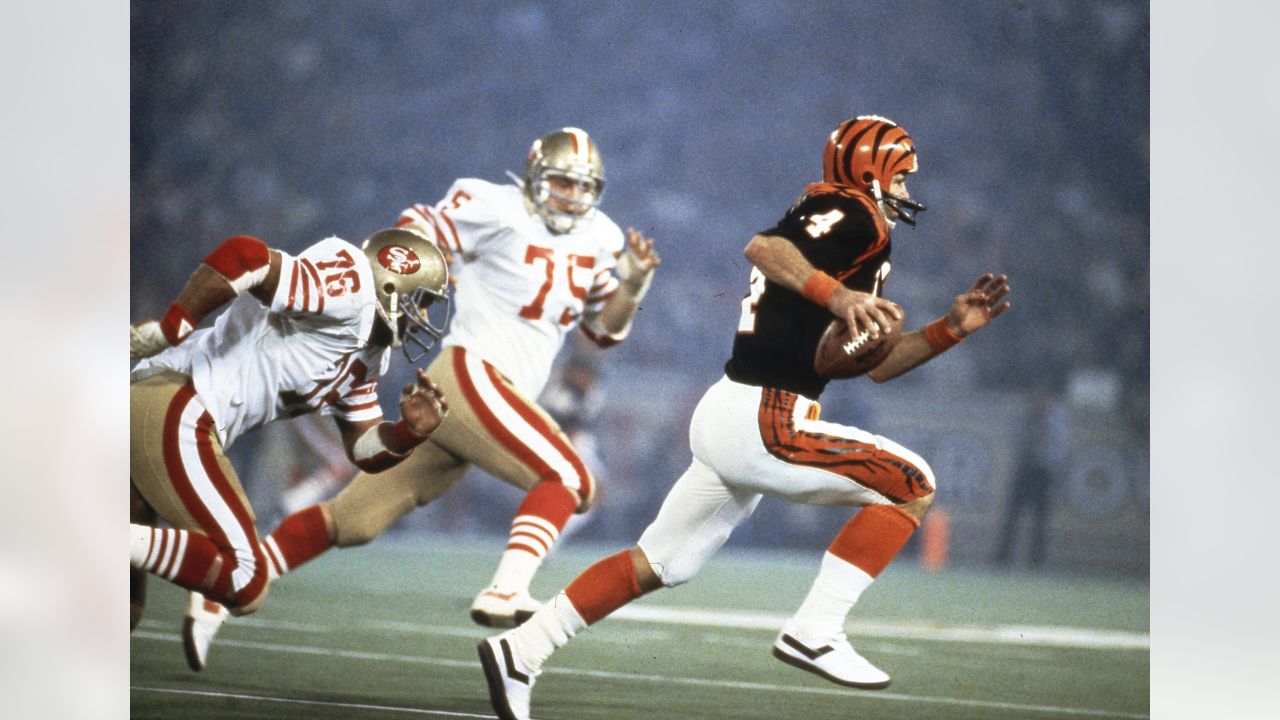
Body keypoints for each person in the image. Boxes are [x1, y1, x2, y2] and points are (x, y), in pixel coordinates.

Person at [477, 115, 1012, 720]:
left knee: (660, 563)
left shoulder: (857, 226)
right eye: (905, 177)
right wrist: (840, 297)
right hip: (767, 414)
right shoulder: (851, 210)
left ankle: (521, 648)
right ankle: (816, 629)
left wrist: (949, 330)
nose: (910, 192)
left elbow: (876, 365)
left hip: (740, 410)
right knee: (912, 484)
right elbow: (764, 247)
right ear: (876, 169)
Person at [180, 127, 661, 670]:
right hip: (470, 372)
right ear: (532, 177)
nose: (570, 196)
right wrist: (417, 284)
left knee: (352, 521)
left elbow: (601, 333)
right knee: (572, 479)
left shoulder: (601, 236)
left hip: (473, 403)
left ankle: (224, 584)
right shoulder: (495, 205)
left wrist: (634, 285)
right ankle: (505, 590)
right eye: (560, 183)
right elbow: (417, 226)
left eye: (581, 187)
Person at [129, 227, 452, 655]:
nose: (423, 318)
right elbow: (246, 255)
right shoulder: (352, 288)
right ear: (393, 284)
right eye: (422, 301)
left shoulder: (371, 349)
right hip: (180, 402)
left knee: (124, 610)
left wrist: (406, 433)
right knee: (244, 577)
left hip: (173, 408)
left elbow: (362, 449)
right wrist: (174, 327)